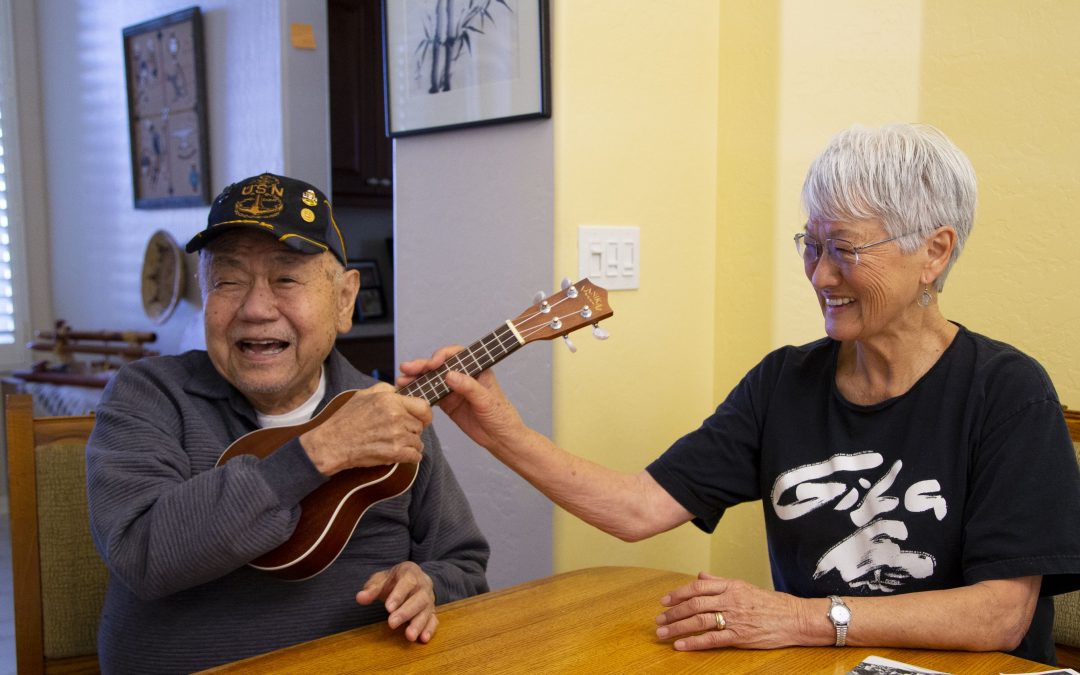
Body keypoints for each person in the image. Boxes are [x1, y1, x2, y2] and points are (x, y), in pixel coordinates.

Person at [403, 124, 1080, 664]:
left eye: (843, 249)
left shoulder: (1008, 392)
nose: (819, 274)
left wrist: (801, 616)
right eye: (810, 245)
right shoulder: (784, 382)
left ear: (934, 251)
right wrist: (499, 431)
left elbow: (1000, 613)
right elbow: (637, 507)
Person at [86, 173, 489, 673]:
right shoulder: (147, 395)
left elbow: (465, 567)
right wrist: (318, 452)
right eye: (228, 280)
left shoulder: (387, 413)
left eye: (286, 279)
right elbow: (143, 555)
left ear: (344, 301)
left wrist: (427, 585)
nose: (255, 309)